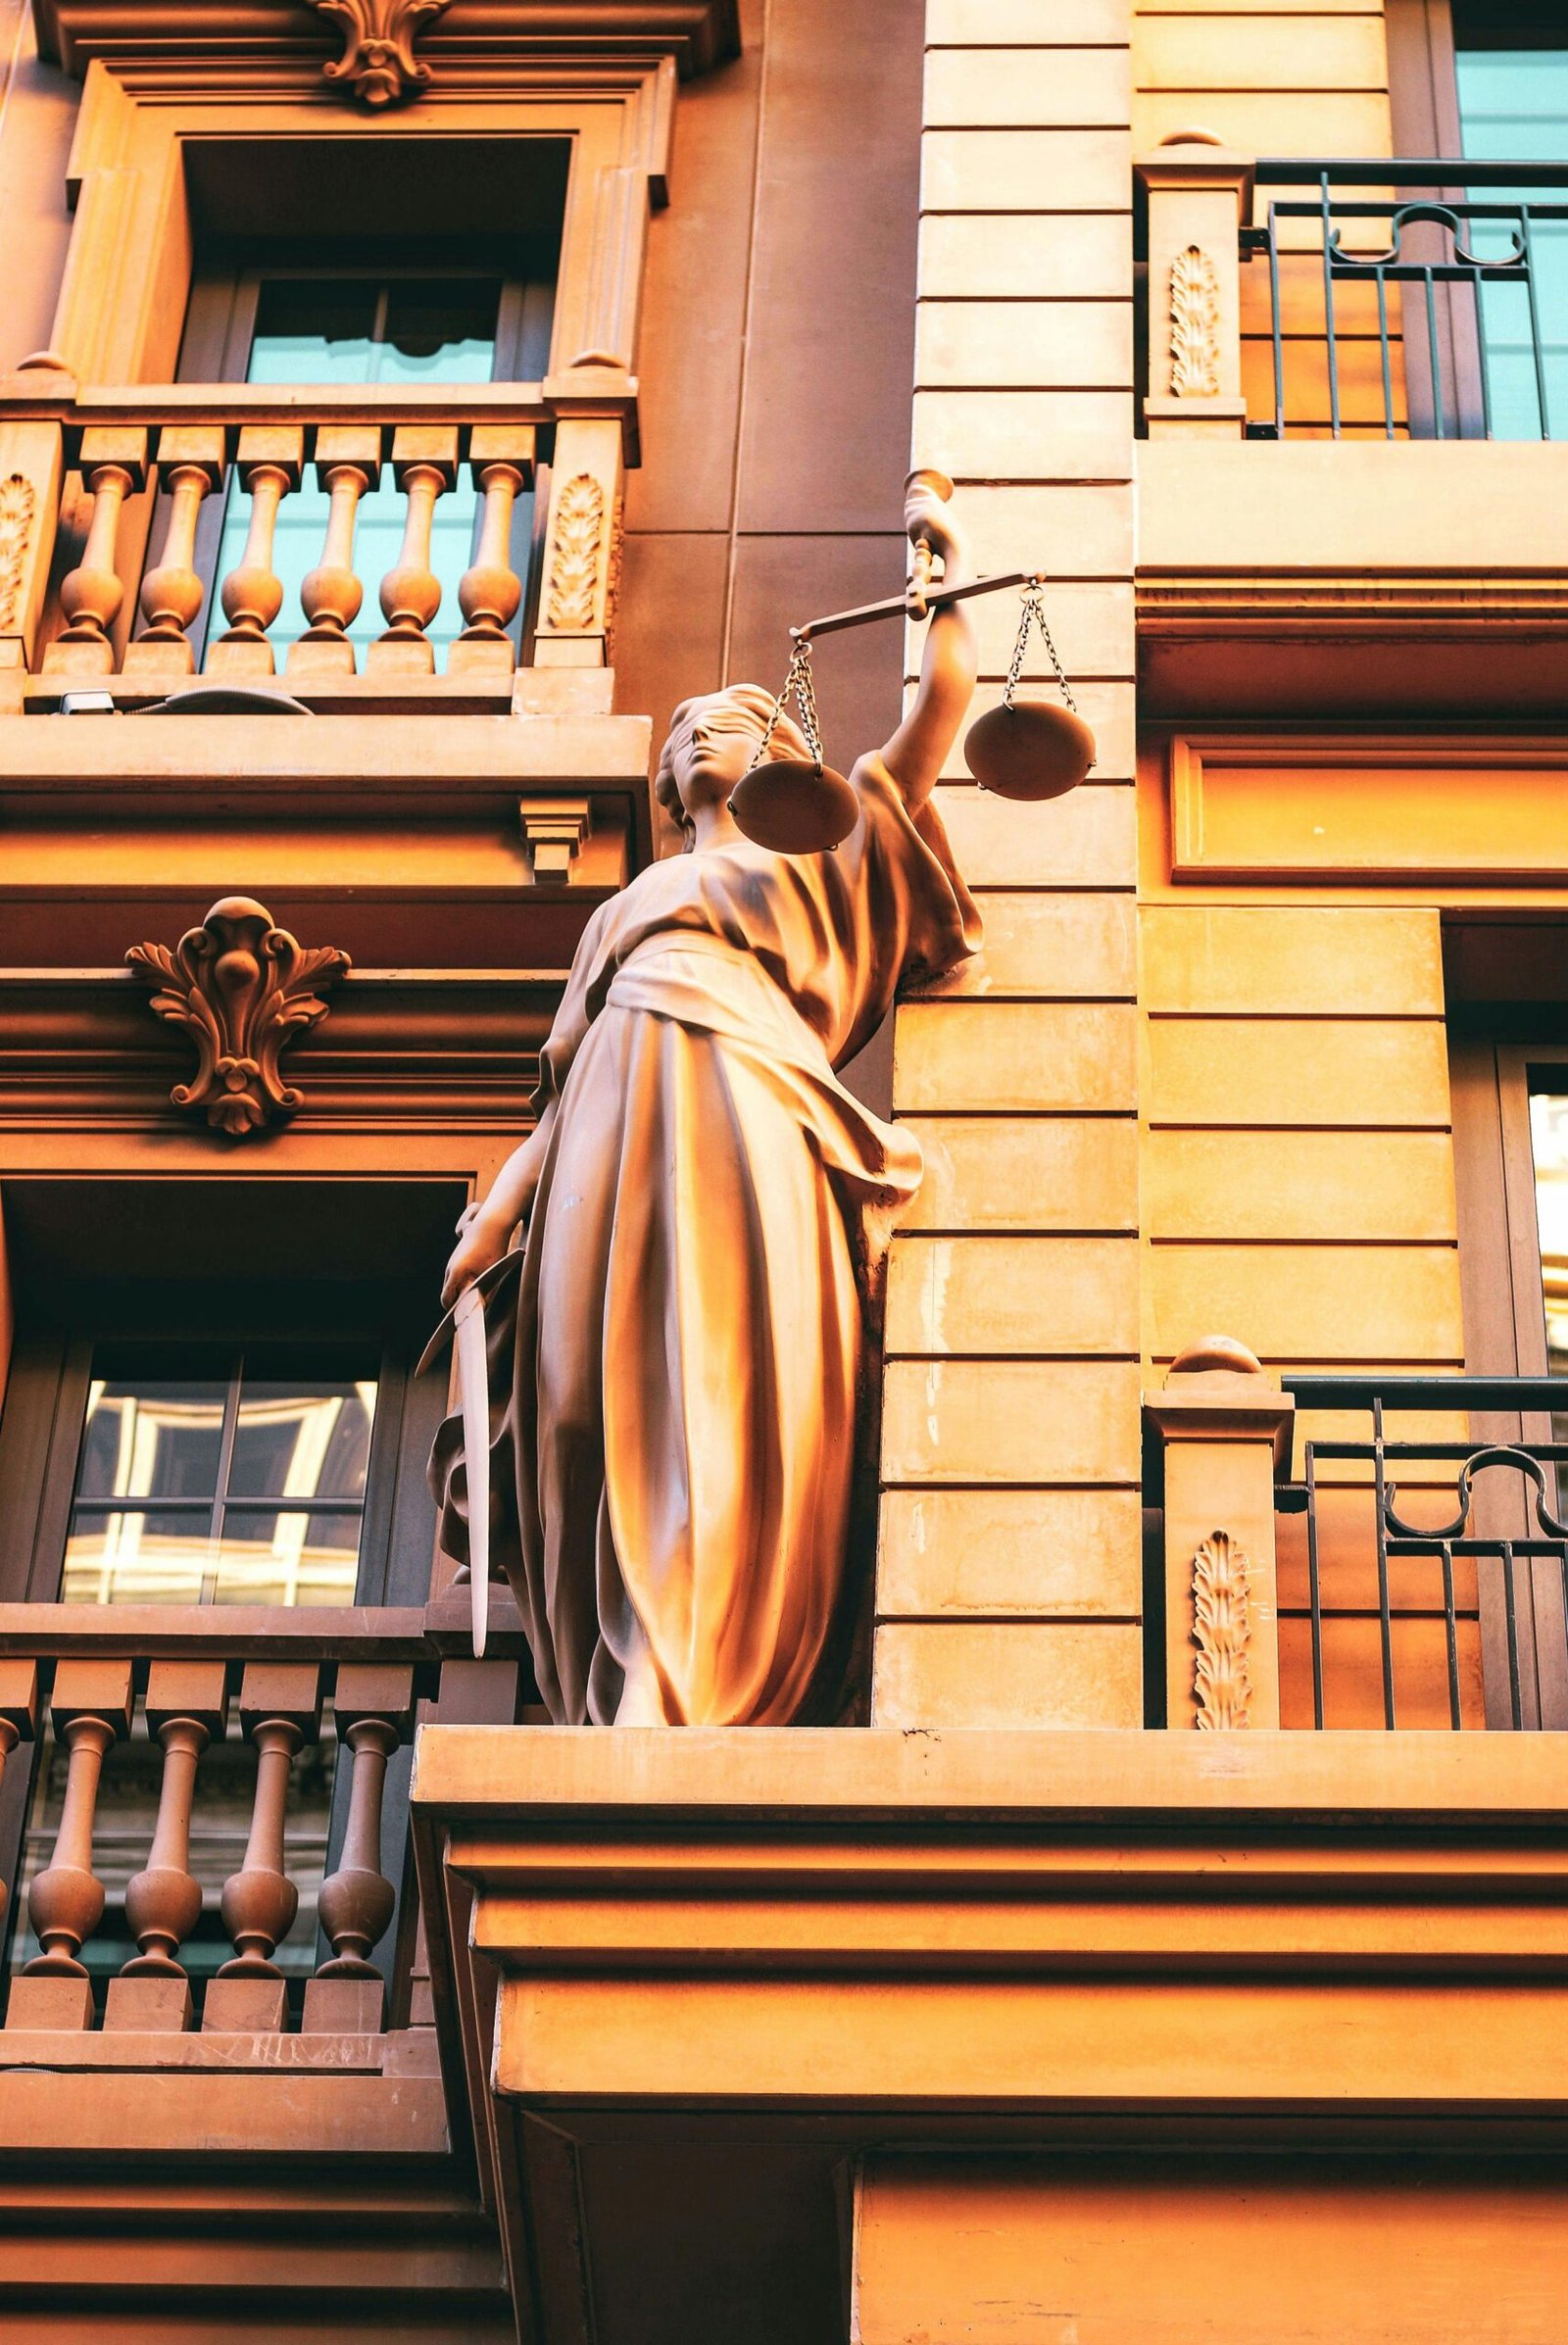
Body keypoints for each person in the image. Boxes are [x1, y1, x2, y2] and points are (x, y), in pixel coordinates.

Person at [431, 476, 981, 1725]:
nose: (689, 735)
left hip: (740, 1105)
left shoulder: (816, 853)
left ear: (778, 752)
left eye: (721, 722)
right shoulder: (617, 911)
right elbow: (558, 1087)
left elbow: (931, 726)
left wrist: (941, 586)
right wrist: (497, 1215)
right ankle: (621, 1657)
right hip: (609, 1129)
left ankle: (689, 1667)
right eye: (677, 730)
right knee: (593, 1383)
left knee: (717, 1369)